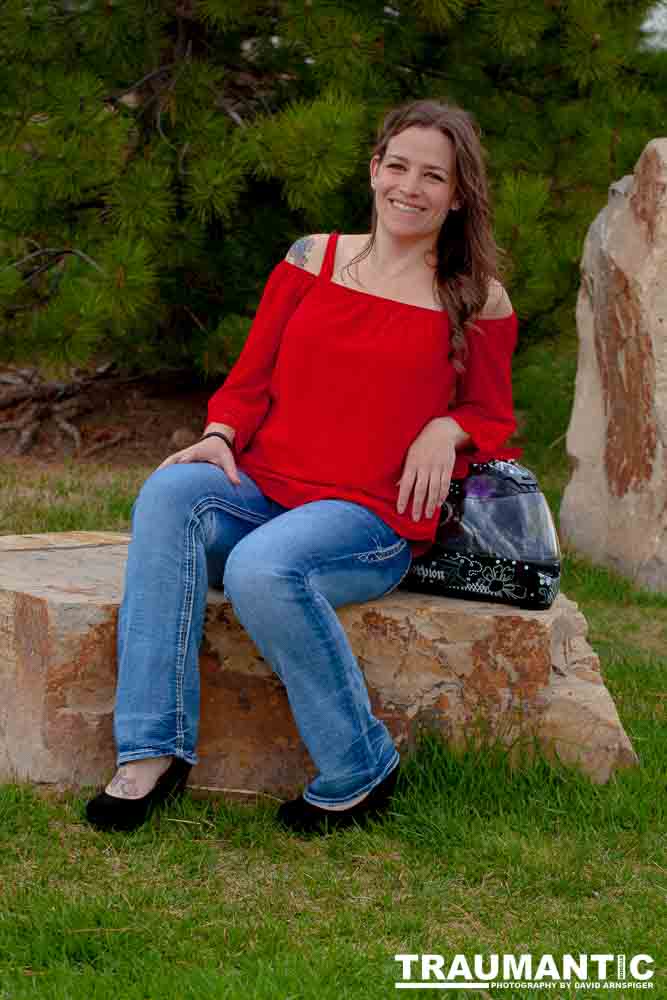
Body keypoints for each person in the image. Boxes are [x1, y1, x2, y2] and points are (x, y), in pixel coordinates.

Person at [85, 98, 519, 834]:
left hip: (369, 518)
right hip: (265, 485)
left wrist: (446, 428)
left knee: (261, 566)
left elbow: (494, 419)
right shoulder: (309, 258)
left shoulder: (475, 297)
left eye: (433, 176)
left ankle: (359, 766)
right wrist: (221, 434)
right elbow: (249, 380)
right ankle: (153, 750)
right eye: (398, 166)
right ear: (373, 168)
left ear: (458, 194)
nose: (409, 187)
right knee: (172, 491)